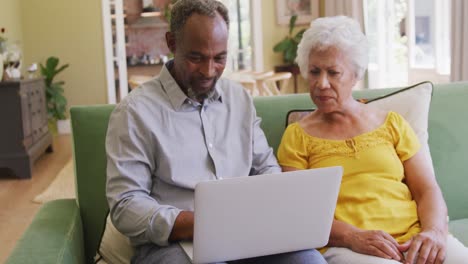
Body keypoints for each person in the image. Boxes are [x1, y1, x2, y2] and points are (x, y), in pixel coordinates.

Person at [105, 0, 326, 263]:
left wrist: (267, 210)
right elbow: (126, 206)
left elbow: (266, 168)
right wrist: (200, 224)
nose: (209, 71)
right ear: (172, 43)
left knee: (309, 261)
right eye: (196, 58)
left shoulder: (239, 100)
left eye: (219, 58)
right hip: (174, 246)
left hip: (248, 236)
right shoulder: (134, 112)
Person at [277, 16, 468, 264]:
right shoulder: (297, 136)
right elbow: (299, 213)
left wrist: (434, 232)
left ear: (356, 74)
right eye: (314, 72)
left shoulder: (392, 124)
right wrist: (352, 237)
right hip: (351, 246)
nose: (321, 83)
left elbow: (427, 189)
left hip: (415, 236)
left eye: (333, 73)